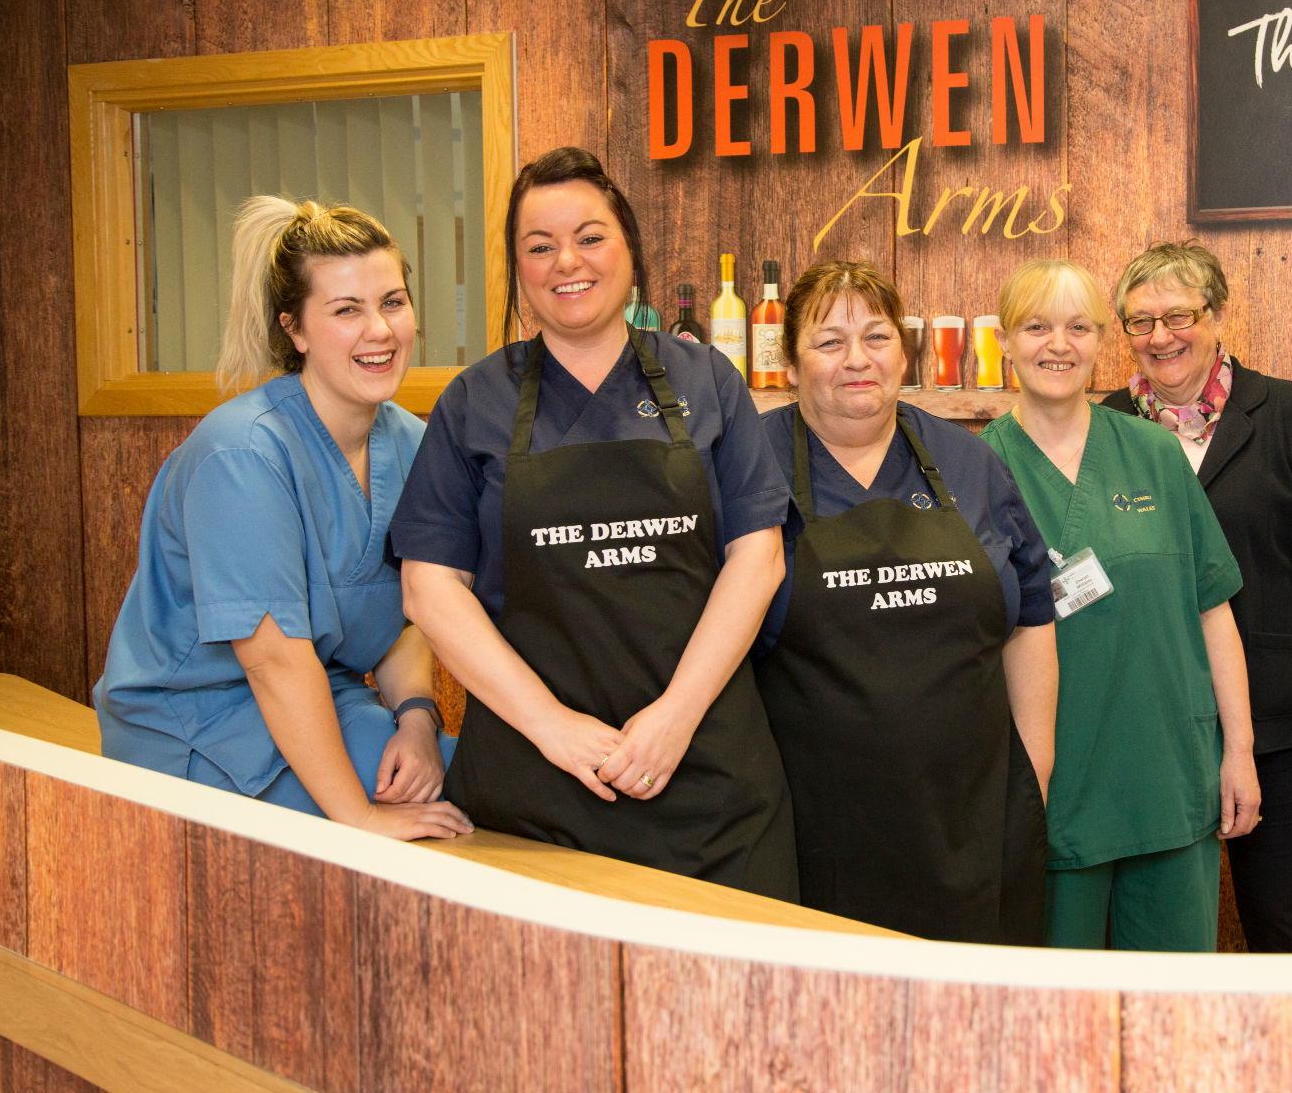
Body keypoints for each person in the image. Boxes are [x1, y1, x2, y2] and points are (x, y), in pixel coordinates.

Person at [393, 147, 797, 898]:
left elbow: (758, 558)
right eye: (538, 247)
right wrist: (550, 725)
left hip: (705, 781)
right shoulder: (473, 402)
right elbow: (429, 589)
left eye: (589, 236)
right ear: (518, 271)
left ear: (630, 253)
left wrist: (675, 716)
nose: (565, 262)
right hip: (532, 793)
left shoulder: (706, 380)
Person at [94, 197, 470, 841]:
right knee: (434, 840)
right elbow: (272, 660)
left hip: (323, 703)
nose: (379, 330)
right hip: (199, 729)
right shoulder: (242, 454)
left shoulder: (413, 444)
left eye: (393, 302)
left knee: (478, 784)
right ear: (293, 330)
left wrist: (415, 717)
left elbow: (411, 609)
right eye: (346, 310)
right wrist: (360, 820)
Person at [754, 260, 1058, 944]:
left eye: (877, 337)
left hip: (974, 828)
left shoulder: (969, 461)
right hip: (810, 836)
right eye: (829, 342)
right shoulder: (752, 463)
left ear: (905, 350)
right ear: (792, 361)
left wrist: (1031, 778)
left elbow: (1033, 616)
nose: (856, 359)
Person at [1101, 241, 1292, 952]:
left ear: (1218, 315)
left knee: (1282, 923)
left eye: (1178, 315)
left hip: (1279, 724)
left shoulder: (1289, 415)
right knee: (1152, 925)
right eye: (1140, 322)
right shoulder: (1105, 427)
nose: (1161, 337)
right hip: (1151, 724)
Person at [981, 258, 1258, 952]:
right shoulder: (976, 472)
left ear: (1100, 341)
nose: (1058, 344)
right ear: (1007, 341)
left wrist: (1240, 752)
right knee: (1054, 1022)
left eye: (1078, 327)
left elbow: (1212, 610)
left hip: (1168, 777)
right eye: (1037, 326)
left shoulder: (1155, 454)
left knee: (1175, 1015)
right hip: (1054, 789)